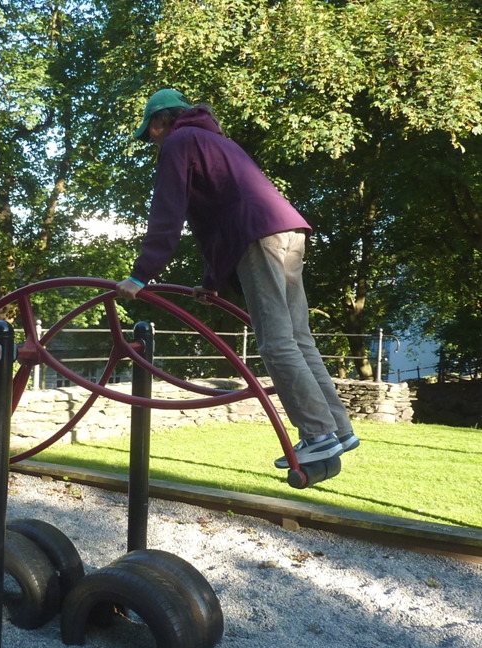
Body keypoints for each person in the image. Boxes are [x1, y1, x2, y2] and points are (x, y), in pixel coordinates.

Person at [116, 89, 359, 469]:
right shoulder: (214, 140)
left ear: (161, 121)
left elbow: (169, 215)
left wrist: (140, 275)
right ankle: (340, 429)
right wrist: (212, 280)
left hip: (257, 235)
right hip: (287, 231)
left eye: (151, 134)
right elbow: (212, 221)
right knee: (298, 338)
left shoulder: (178, 142)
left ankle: (317, 435)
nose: (153, 142)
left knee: (276, 342)